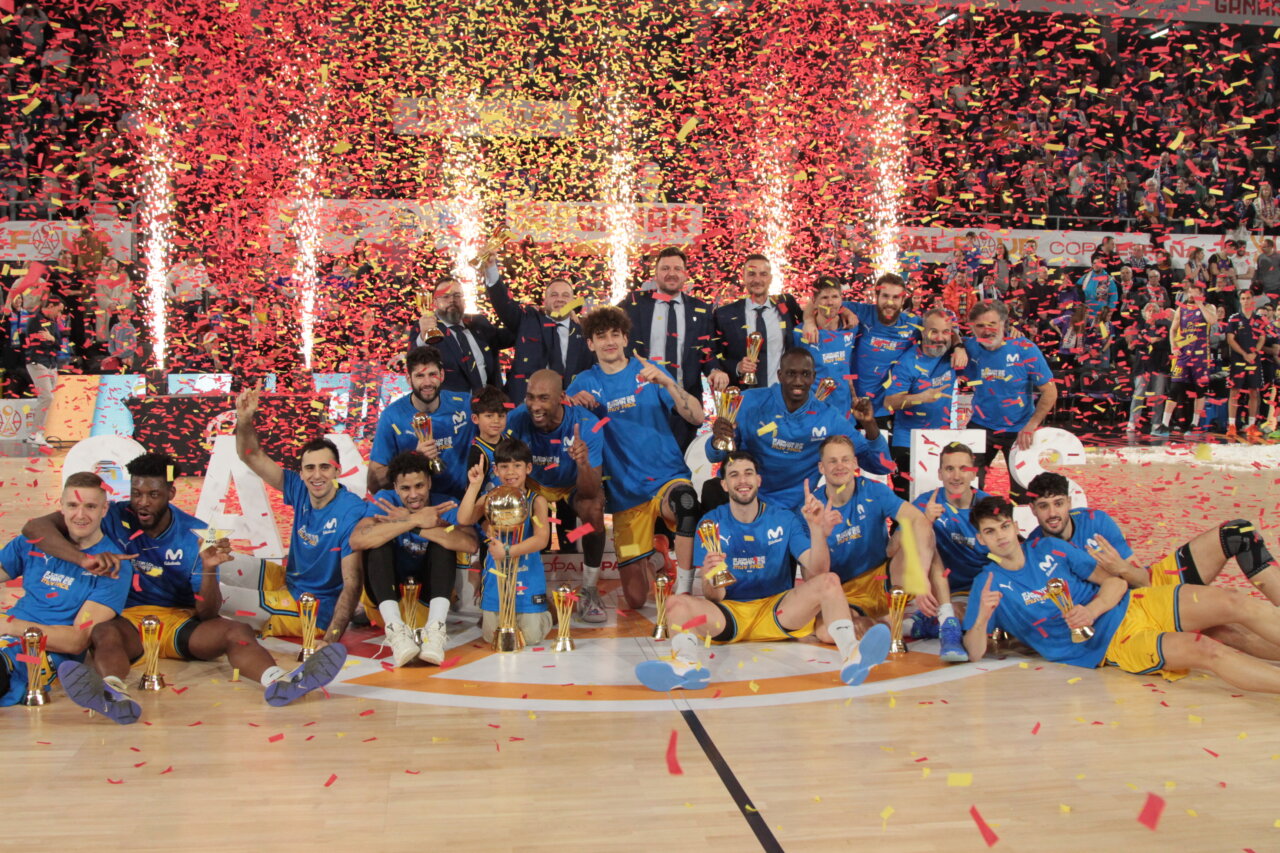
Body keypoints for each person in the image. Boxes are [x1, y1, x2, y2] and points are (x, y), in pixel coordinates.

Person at [26, 454, 346, 718]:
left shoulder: (201, 532)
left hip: (180, 620)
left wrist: (208, 569)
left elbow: (208, 612)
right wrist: (81, 559)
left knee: (236, 631)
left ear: (171, 494)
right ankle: (112, 691)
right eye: (137, 493)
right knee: (101, 632)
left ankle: (279, 681)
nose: (142, 502)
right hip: (130, 621)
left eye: (153, 494)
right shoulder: (113, 515)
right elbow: (34, 527)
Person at [963, 495, 1280, 695]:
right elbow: (975, 652)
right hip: (1113, 643)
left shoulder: (1050, 547)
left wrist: (1094, 609)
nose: (1000, 536)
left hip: (1137, 603)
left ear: (1014, 525)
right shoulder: (987, 584)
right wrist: (981, 620)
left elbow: (1114, 582)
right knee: (1209, 651)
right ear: (980, 538)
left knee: (1233, 603)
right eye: (990, 531)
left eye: (1004, 526)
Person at [634, 451, 892, 691]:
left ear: (758, 480)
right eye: (734, 475)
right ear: (724, 484)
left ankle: (853, 656)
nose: (742, 480)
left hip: (779, 610)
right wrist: (713, 577)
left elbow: (817, 570)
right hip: (731, 613)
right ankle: (685, 666)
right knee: (676, 603)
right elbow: (714, 597)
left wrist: (817, 531)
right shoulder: (711, 523)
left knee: (829, 581)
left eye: (748, 473)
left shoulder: (783, 518)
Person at [566, 306, 704, 600]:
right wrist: (572, 404)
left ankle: (685, 591)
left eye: (615, 334)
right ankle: (657, 555)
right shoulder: (584, 383)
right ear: (590, 344)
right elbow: (566, 428)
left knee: (687, 503)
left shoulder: (649, 371)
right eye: (601, 336)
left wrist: (667, 381)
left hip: (667, 478)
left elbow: (697, 418)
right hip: (626, 493)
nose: (609, 341)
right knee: (636, 598)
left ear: (626, 338)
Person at [235, 385, 375, 647]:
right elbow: (250, 456)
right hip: (288, 583)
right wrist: (244, 420)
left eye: (325, 467)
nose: (317, 475)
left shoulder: (351, 511)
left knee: (224, 598)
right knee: (215, 568)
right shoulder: (300, 488)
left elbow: (353, 583)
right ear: (300, 472)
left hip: (313, 611)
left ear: (337, 471)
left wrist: (331, 639)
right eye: (309, 468)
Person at [1025, 471, 1279, 607]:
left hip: (1153, 583)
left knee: (1239, 532)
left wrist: (1121, 568)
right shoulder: (1036, 550)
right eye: (1044, 506)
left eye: (1058, 504)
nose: (1053, 513)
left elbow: (1144, 580)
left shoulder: (1096, 521)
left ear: (1069, 502)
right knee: (1224, 629)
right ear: (1033, 510)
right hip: (1133, 610)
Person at [812, 436, 964, 661]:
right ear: (821, 467)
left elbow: (918, 521)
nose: (840, 466)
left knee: (923, 531)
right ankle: (893, 627)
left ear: (855, 463)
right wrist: (820, 532)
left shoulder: (875, 490)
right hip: (845, 591)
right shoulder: (812, 507)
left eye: (845, 459)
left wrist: (920, 578)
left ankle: (946, 620)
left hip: (883, 577)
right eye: (832, 461)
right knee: (825, 632)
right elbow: (813, 575)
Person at [0, 473, 133, 715]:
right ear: (61, 507)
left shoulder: (112, 566)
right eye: (72, 505)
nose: (80, 515)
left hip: (32, 655)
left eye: (90, 507)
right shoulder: (34, 543)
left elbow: (76, 640)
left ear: (104, 509)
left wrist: (10, 626)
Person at [705, 347, 892, 510]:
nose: (798, 381)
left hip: (793, 510)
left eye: (805, 374)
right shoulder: (749, 402)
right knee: (711, 490)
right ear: (780, 375)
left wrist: (870, 424)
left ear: (813, 377)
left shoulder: (828, 417)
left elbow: (882, 466)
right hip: (744, 499)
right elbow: (714, 456)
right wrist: (717, 440)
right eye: (791, 373)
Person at [350, 452, 478, 666]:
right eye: (405, 488)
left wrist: (420, 525)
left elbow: (470, 544)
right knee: (378, 543)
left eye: (419, 486)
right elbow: (357, 541)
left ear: (429, 482)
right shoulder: (384, 501)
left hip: (428, 599)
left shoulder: (446, 504)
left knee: (444, 540)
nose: (413, 495)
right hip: (388, 598)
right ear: (395, 487)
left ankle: (435, 633)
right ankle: (396, 633)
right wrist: (411, 520)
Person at [505, 369, 608, 623]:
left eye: (543, 398)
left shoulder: (585, 424)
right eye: (530, 397)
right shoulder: (516, 419)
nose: (535, 406)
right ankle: (508, 590)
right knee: (505, 502)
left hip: (571, 485)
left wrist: (583, 463)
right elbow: (506, 472)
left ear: (562, 397)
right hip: (533, 482)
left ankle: (589, 589)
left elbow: (590, 490)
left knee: (594, 508)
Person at [617, 246, 729, 450]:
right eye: (665, 268)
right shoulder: (634, 303)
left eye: (677, 269)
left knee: (680, 463)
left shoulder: (701, 309)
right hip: (642, 401)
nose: (671, 273)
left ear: (685, 274)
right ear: (656, 274)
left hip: (683, 402)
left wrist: (715, 370)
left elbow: (707, 351)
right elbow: (606, 326)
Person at [456, 437, 553, 645]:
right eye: (504, 466)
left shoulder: (537, 501)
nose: (510, 472)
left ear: (528, 468)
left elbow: (541, 539)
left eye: (517, 465)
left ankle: (546, 610)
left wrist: (508, 550)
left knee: (530, 638)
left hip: (527, 578)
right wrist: (474, 486)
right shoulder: (490, 497)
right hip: (496, 579)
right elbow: (464, 519)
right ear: (496, 470)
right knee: (493, 637)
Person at [961, 300, 1057, 502]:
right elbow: (948, 334)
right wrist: (956, 347)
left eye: (992, 324)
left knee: (1022, 495)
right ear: (971, 328)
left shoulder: (1024, 348)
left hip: (1019, 431)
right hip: (980, 427)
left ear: (1004, 324)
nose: (987, 331)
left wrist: (1031, 426)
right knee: (966, 489)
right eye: (980, 326)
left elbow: (1050, 392)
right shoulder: (969, 347)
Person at [480, 251, 593, 402]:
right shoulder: (527, 319)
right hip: (524, 407)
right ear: (544, 300)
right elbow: (504, 304)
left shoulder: (584, 331)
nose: (560, 299)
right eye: (554, 295)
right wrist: (491, 268)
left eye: (565, 296)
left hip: (568, 410)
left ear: (573, 301)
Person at [368, 345, 473, 497]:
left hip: (461, 501)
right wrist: (413, 457)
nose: (427, 382)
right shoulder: (391, 416)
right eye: (420, 376)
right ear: (408, 379)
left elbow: (497, 426)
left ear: (442, 375)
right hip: (416, 505)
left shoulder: (464, 404)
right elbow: (373, 483)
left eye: (432, 374)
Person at [883, 307, 960, 497]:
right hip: (908, 443)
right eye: (934, 331)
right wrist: (922, 397)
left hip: (944, 442)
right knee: (907, 501)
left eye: (945, 332)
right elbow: (889, 403)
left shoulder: (952, 354)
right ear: (923, 332)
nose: (939, 338)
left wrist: (960, 346)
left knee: (941, 502)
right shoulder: (908, 362)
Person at [913, 443, 991, 623]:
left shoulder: (989, 507)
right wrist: (923, 522)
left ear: (973, 473)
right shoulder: (926, 502)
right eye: (949, 469)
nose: (956, 476)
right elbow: (893, 549)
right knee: (922, 538)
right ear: (940, 474)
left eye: (963, 469)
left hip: (974, 589)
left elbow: (1007, 554)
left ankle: (918, 625)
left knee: (963, 613)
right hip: (935, 589)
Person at [409, 276, 513, 393]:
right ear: (435, 303)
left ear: (464, 300)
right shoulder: (426, 328)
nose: (452, 300)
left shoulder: (479, 322)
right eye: (445, 296)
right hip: (453, 407)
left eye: (457, 295)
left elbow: (510, 336)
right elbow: (413, 358)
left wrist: (530, 317)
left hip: (491, 406)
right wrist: (423, 337)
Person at [713, 254, 802, 390]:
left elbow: (813, 314)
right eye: (751, 274)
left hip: (782, 395)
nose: (757, 280)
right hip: (744, 397)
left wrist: (845, 310)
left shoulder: (786, 304)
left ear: (771, 278)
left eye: (763, 274)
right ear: (743, 278)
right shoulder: (724, 314)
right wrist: (737, 367)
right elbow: (714, 355)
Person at [1156, 280, 1215, 436]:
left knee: (1199, 390)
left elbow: (1213, 321)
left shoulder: (1209, 307)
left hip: (1201, 356)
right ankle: (1164, 423)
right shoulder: (1182, 309)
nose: (1191, 294)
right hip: (1183, 355)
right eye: (1190, 292)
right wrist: (1173, 347)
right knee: (1175, 388)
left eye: (1195, 292)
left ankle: (1195, 423)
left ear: (1202, 294)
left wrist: (1200, 305)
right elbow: (1173, 330)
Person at [791, 275, 857, 415]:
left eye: (835, 297)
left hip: (844, 414)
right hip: (812, 413)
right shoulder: (800, 333)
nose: (830, 302)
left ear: (841, 300)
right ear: (814, 301)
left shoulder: (851, 327)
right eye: (824, 298)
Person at [23, 295, 65, 448]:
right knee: (46, 396)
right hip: (37, 362)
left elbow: (59, 343)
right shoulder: (34, 321)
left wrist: (52, 339)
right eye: (58, 310)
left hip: (51, 364)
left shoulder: (53, 323)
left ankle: (38, 434)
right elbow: (38, 342)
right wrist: (50, 340)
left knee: (48, 398)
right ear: (51, 306)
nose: (59, 314)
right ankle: (35, 434)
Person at [1225, 290, 1266, 440]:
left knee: (1254, 392)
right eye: (1243, 298)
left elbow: (1262, 338)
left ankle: (1251, 425)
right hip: (1238, 360)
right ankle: (1231, 425)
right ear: (1240, 301)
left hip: (1254, 360)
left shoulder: (1259, 319)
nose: (1246, 301)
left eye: (1248, 298)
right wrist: (1244, 354)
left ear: (1252, 300)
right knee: (1234, 392)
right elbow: (1230, 339)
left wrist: (1255, 352)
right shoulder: (1234, 319)